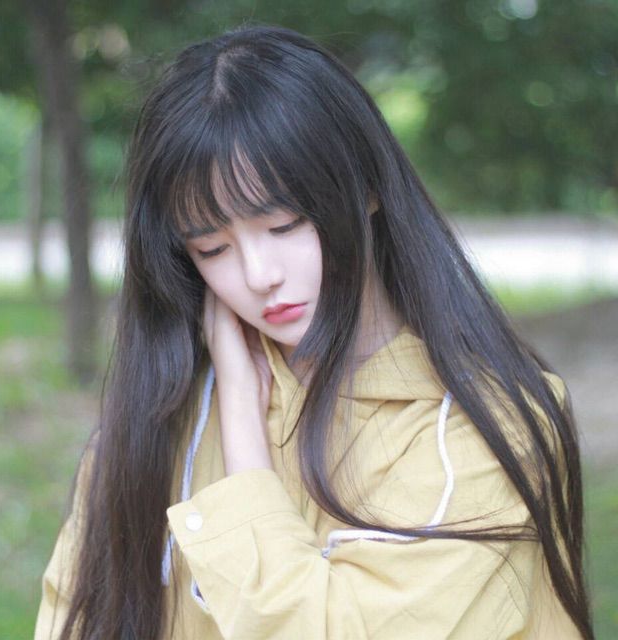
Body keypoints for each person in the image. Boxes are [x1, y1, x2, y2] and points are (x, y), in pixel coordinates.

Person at [34, 23, 593, 640]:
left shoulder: (478, 426)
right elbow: (70, 615)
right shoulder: (159, 416)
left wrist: (242, 434)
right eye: (212, 248)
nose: (259, 275)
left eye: (284, 225)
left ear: (367, 186)